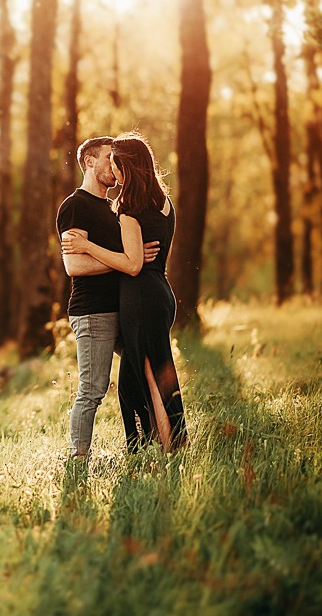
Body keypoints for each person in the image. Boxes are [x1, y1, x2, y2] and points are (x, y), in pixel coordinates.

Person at [61, 132, 187, 453]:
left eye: (116, 160)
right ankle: (83, 458)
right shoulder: (77, 206)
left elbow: (130, 263)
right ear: (89, 163)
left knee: (144, 376)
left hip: (135, 303)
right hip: (109, 307)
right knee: (113, 384)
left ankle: (163, 447)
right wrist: (129, 260)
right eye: (107, 158)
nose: (112, 165)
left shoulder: (124, 208)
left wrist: (120, 258)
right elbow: (74, 266)